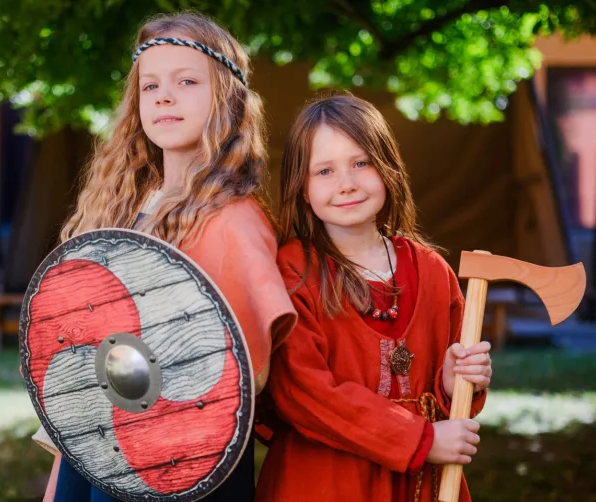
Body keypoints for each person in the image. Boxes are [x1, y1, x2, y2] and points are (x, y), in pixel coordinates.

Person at [29, 11, 297, 502]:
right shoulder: (129, 208)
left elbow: (241, 376)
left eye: (186, 81)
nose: (164, 96)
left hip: (180, 462)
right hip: (102, 444)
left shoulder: (234, 221)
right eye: (150, 86)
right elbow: (86, 348)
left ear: (228, 99)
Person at [255, 94, 493, 502]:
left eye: (361, 163)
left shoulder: (433, 271)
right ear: (302, 187)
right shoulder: (292, 272)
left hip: (418, 486)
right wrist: (418, 439)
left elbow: (442, 398)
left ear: (388, 167)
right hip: (323, 484)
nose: (346, 183)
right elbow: (303, 393)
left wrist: (453, 386)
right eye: (325, 170)